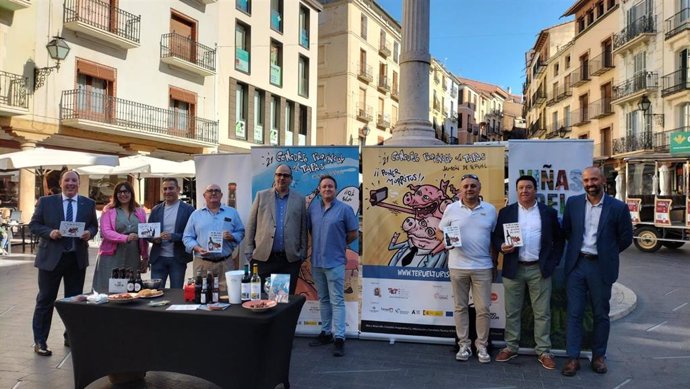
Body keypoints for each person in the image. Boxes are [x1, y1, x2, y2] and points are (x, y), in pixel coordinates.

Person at [561, 166, 633, 377]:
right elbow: (567, 231)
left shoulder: (618, 207)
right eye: (586, 180)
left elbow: (626, 237)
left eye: (594, 179)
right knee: (574, 313)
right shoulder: (573, 203)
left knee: (601, 314)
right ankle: (572, 358)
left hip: (601, 267)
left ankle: (599, 356)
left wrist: (607, 253)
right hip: (577, 266)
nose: (590, 184)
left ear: (603, 180)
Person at [492, 175, 564, 369]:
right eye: (521, 187)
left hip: (538, 269)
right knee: (512, 311)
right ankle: (511, 347)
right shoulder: (506, 212)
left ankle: (543, 351)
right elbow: (497, 236)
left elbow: (559, 240)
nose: (525, 191)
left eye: (528, 187)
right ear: (516, 191)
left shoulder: (548, 212)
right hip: (514, 269)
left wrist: (553, 262)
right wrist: (501, 246)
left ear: (535, 190)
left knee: (542, 313)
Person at [29, 170, 98, 356]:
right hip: (51, 258)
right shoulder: (46, 202)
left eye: (74, 180)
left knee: (74, 301)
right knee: (45, 300)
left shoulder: (88, 203)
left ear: (78, 183)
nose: (70, 184)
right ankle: (40, 341)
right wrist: (49, 232)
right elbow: (34, 225)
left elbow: (93, 225)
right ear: (61, 183)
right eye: (67, 180)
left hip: (76, 258)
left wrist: (89, 233)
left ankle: (71, 337)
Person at [439, 173, 496, 364]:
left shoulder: (490, 210)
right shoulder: (451, 208)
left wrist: (495, 262)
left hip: (483, 266)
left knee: (483, 309)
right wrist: (446, 242)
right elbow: (442, 230)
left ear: (479, 188)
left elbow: (494, 238)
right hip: (457, 266)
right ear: (460, 189)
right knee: (460, 307)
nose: (469, 189)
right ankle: (464, 344)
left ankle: (482, 346)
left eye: (473, 186)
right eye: (465, 186)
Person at [307, 175, 358, 357]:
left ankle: (340, 338)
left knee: (337, 300)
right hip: (317, 263)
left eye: (330, 186)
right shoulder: (313, 210)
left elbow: (353, 233)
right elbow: (310, 231)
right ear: (319, 190)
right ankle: (326, 333)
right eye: (324, 186)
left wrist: (339, 243)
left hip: (335, 262)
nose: (327, 189)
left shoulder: (344, 210)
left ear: (335, 189)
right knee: (323, 299)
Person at [244, 164, 307, 294]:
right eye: (279, 174)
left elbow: (303, 228)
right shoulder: (261, 196)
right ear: (275, 177)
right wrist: (249, 249)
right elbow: (251, 224)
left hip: (288, 260)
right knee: (261, 298)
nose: (282, 178)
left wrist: (302, 252)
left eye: (286, 175)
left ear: (291, 179)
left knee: (282, 300)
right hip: (264, 258)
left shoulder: (299, 199)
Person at [183, 184, 244, 292]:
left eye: (216, 191)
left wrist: (232, 236)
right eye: (210, 191)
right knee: (202, 296)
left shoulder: (232, 212)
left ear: (221, 195)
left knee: (227, 295)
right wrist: (197, 248)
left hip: (225, 264)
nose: (213, 193)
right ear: (204, 195)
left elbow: (241, 232)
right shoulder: (196, 215)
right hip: (202, 264)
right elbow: (187, 237)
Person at [92, 181, 149, 293]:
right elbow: (106, 232)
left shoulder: (140, 211)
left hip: (133, 255)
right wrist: (125, 238)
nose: (123, 194)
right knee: (110, 287)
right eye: (120, 192)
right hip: (112, 255)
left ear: (131, 193)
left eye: (126, 191)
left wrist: (145, 257)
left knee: (130, 287)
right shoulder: (109, 210)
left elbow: (144, 235)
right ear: (116, 194)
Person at [148, 177, 194, 288]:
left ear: (178, 189)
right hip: (158, 258)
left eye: (171, 188)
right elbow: (147, 233)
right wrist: (155, 238)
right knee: (155, 292)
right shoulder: (155, 210)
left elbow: (193, 235)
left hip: (178, 259)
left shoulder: (188, 210)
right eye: (165, 189)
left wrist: (173, 236)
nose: (167, 191)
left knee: (176, 293)